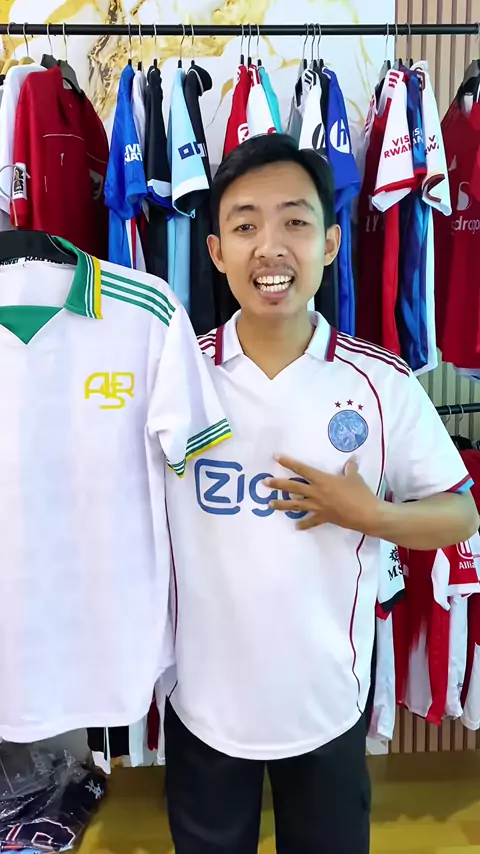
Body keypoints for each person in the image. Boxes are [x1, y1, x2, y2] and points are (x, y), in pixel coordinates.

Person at [163, 133, 479, 854]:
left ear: (331, 243)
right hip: (206, 702)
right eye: (245, 225)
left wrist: (372, 515)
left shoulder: (380, 382)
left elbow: (460, 512)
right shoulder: (176, 378)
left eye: (295, 222)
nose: (270, 247)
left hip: (328, 702)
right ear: (216, 251)